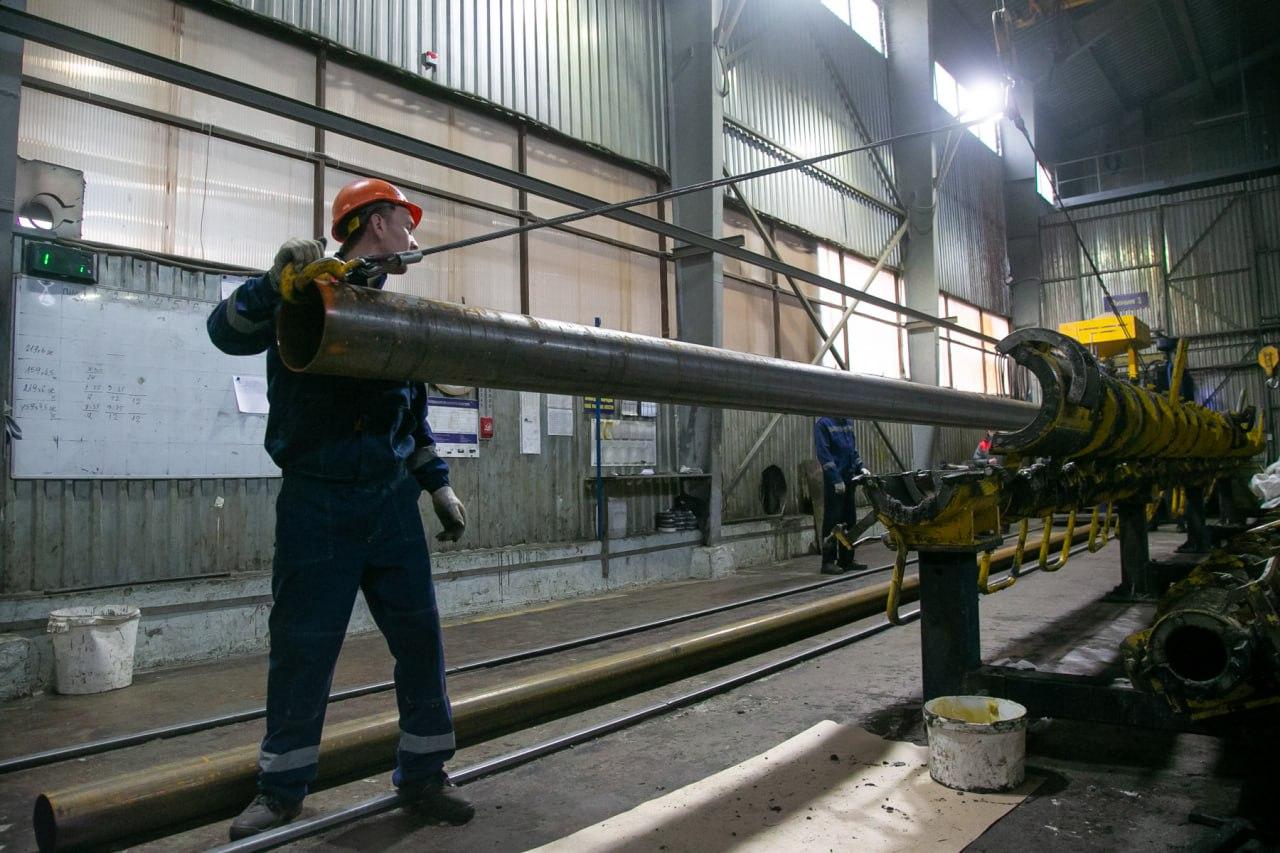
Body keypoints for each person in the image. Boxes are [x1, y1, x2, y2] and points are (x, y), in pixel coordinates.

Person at [208, 178, 474, 839]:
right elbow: (224, 331)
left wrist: (437, 485)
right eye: (405, 222)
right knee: (304, 647)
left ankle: (425, 774)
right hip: (318, 500)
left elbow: (410, 415)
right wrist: (275, 282)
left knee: (421, 642)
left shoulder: (396, 315)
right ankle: (281, 788)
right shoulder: (305, 294)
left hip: (390, 501)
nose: (413, 236)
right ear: (377, 223)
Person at [814, 416, 869, 575]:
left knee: (850, 521)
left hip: (850, 479)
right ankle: (828, 562)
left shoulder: (848, 422)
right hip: (835, 483)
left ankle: (846, 560)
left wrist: (860, 467)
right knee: (833, 522)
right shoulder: (823, 424)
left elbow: (852, 451)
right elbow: (824, 454)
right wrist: (835, 479)